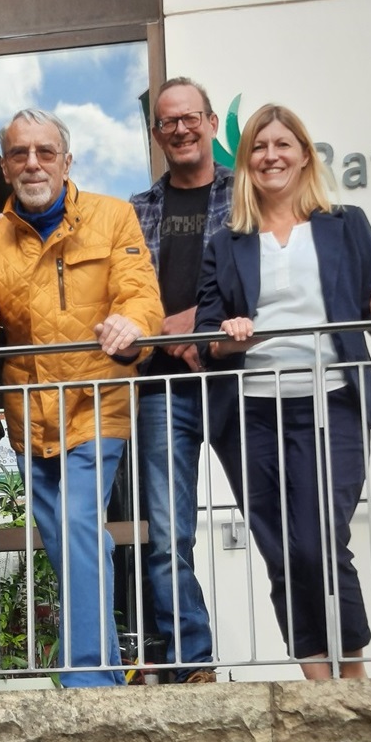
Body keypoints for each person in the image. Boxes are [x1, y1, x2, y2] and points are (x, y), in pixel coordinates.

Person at [0, 109, 164, 689]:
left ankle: (90, 678)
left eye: (45, 152)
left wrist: (131, 323)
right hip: (29, 414)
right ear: (4, 165)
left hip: (95, 400)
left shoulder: (113, 216)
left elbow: (140, 293)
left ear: (66, 160)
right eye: (20, 153)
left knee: (80, 526)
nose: (33, 163)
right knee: (64, 540)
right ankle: (98, 663)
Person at [194, 104, 371, 679]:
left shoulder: (346, 223)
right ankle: (318, 684)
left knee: (321, 540)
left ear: (304, 155)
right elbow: (208, 336)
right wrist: (228, 337)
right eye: (259, 148)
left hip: (333, 400)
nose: (271, 156)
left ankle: (353, 677)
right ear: (245, 164)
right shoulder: (226, 241)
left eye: (283, 145)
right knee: (281, 548)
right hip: (252, 414)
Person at [129, 77, 234, 683]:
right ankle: (192, 661)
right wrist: (166, 332)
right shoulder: (136, 211)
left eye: (190, 118)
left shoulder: (246, 197)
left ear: (212, 122)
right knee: (169, 535)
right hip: (163, 389)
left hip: (237, 380)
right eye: (168, 122)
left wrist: (200, 321)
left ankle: (318, 664)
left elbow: (264, 280)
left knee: (276, 523)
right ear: (156, 134)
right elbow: (117, 296)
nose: (180, 129)